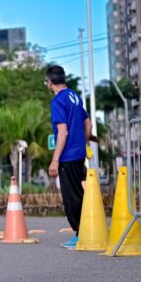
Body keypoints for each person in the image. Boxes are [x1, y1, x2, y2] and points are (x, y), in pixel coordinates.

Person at [45, 65, 91, 249]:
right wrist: (83, 143)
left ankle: (81, 234)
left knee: (71, 197)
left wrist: (55, 159)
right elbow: (87, 124)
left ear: (49, 82)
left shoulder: (58, 102)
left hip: (67, 156)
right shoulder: (75, 96)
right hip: (80, 153)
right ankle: (87, 230)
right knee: (81, 193)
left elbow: (62, 132)